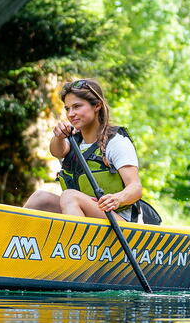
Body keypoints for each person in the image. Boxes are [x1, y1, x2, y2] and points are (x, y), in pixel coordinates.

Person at [23, 78, 143, 221]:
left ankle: (74, 241)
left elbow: (135, 188)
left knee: (69, 196)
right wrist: (59, 136)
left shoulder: (116, 141)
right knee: (40, 198)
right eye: (67, 108)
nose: (70, 114)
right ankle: (8, 239)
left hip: (122, 223)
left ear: (97, 105)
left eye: (77, 106)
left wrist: (117, 198)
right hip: (88, 216)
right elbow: (57, 151)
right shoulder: (73, 139)